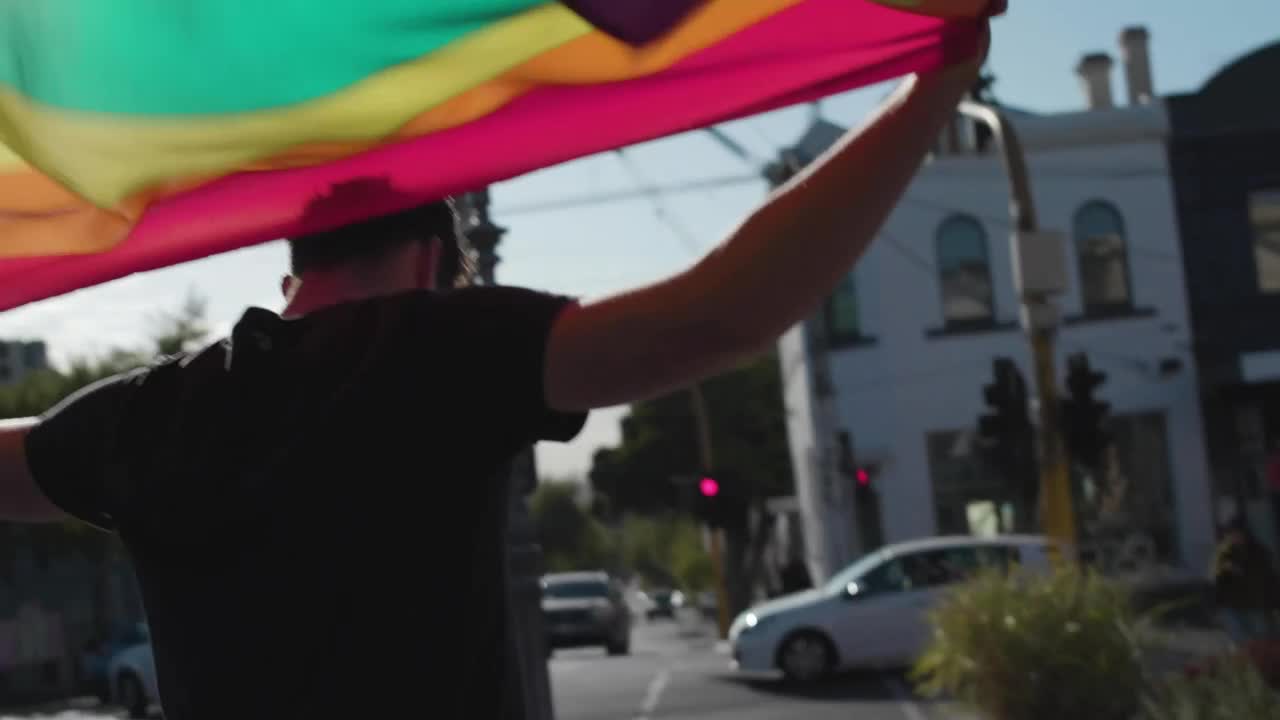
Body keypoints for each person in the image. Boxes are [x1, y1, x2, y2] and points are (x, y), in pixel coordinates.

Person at [0, 23, 991, 720]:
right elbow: (714, 315)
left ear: (291, 263)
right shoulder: (432, 354)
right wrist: (934, 82)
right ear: (435, 262)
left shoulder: (147, 417)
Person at [1211, 516, 1277, 643]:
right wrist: (1217, 604)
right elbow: (1219, 580)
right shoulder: (1224, 554)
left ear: (1244, 533)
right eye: (1230, 533)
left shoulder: (1259, 551)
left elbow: (1269, 578)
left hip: (1254, 604)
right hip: (1231, 605)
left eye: (1236, 533)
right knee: (1241, 641)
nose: (1233, 537)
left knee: (1261, 640)